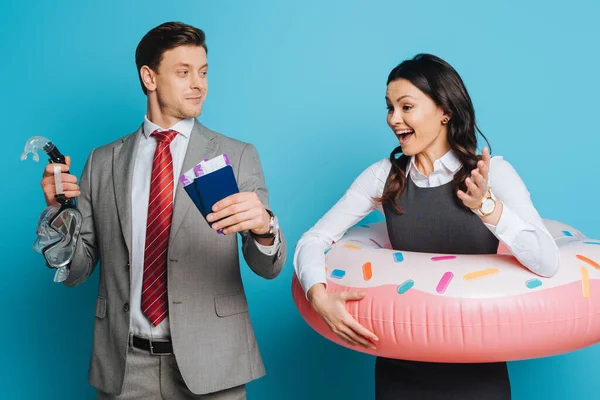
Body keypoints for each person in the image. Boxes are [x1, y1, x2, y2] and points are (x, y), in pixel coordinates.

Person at [40, 21, 286, 399]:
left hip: (213, 365)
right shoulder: (103, 161)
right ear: (149, 77)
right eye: (184, 72)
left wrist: (264, 229)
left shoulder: (236, 156)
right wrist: (58, 213)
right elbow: (76, 271)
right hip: (124, 367)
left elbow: (268, 267)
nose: (199, 84)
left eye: (203, 72)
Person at [293, 53, 559, 400]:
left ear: (445, 111)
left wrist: (486, 206)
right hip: (400, 373)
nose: (394, 119)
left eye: (406, 107)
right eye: (389, 107)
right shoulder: (385, 176)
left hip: (477, 374)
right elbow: (313, 238)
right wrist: (318, 297)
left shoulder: (492, 173)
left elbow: (547, 261)